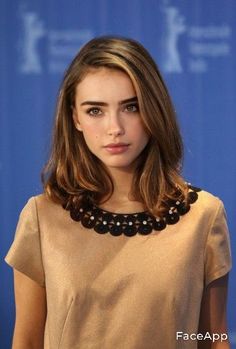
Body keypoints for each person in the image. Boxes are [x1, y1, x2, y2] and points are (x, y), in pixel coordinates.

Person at [5, 36, 232, 349]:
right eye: (95, 110)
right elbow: (27, 342)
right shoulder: (42, 218)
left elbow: (211, 339)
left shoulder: (203, 216)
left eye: (131, 107)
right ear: (75, 118)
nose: (114, 127)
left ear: (153, 110)